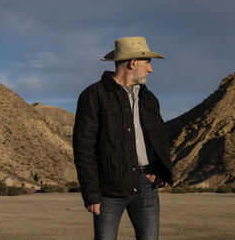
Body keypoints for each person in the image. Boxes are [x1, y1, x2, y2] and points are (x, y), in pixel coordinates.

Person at [73, 36, 173, 240]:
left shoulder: (149, 99)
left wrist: (161, 172)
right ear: (133, 63)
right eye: (148, 63)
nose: (150, 70)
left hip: (147, 186)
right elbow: (84, 149)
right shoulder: (93, 96)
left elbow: (160, 138)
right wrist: (91, 193)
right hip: (109, 190)